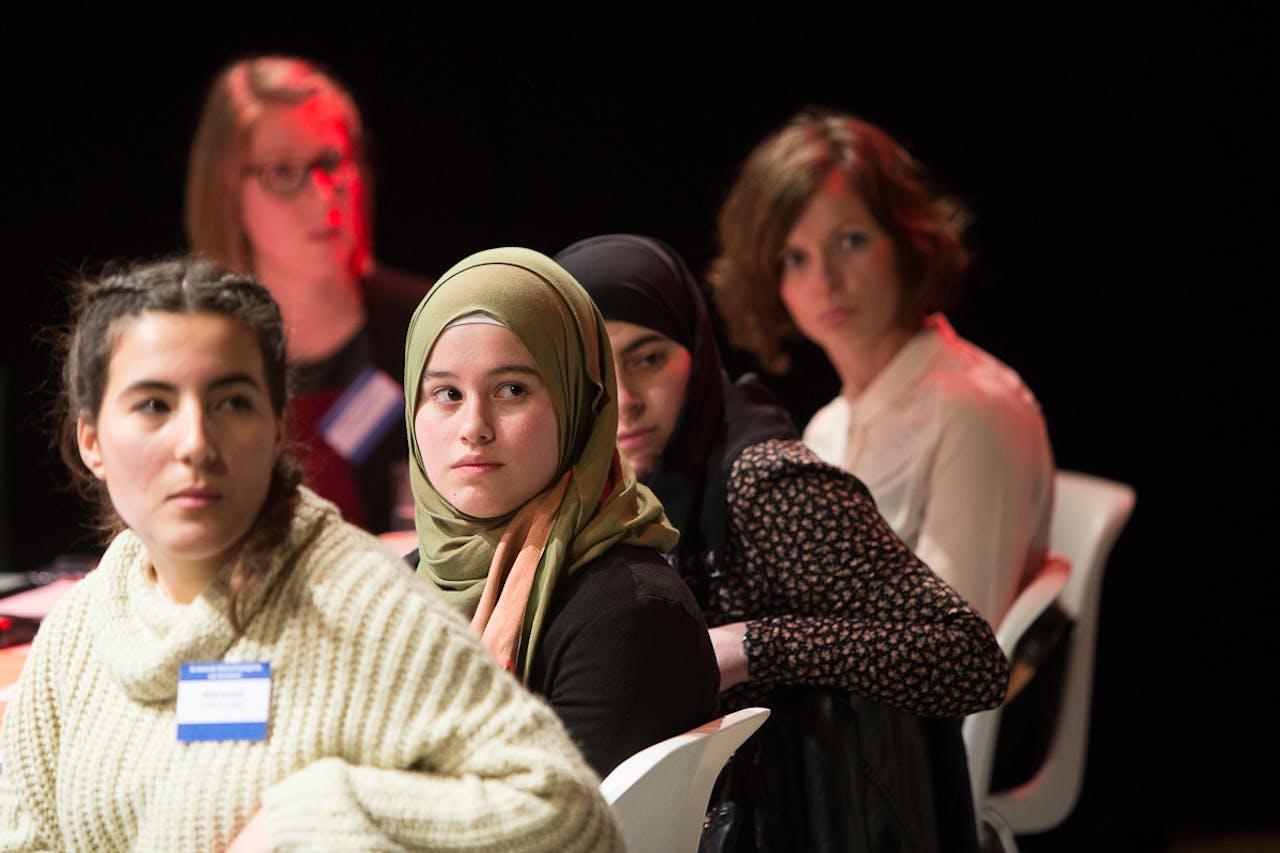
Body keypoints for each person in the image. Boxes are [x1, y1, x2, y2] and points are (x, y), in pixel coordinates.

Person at [0, 257, 623, 852]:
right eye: (154, 405)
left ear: (276, 427)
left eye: (232, 402)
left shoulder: (360, 606)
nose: (195, 442)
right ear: (92, 441)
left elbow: (570, 819)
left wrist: (313, 820)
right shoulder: (77, 635)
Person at [557, 233, 1010, 851]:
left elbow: (970, 660)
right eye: (596, 371)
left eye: (649, 358)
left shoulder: (766, 484)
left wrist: (753, 645)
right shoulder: (597, 488)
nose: (627, 399)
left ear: (694, 347)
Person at [708, 109, 1055, 628]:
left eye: (850, 241)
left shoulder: (975, 410)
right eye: (794, 258)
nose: (824, 280)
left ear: (907, 240)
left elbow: (957, 655)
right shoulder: (828, 428)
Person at [403, 246, 720, 778]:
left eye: (511, 389)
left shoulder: (631, 614)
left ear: (580, 402)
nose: (474, 427)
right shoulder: (396, 588)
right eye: (447, 393)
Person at [186, 55, 428, 533]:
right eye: (282, 172)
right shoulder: (193, 353)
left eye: (333, 162)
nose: (323, 196)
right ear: (226, 195)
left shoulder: (430, 323)